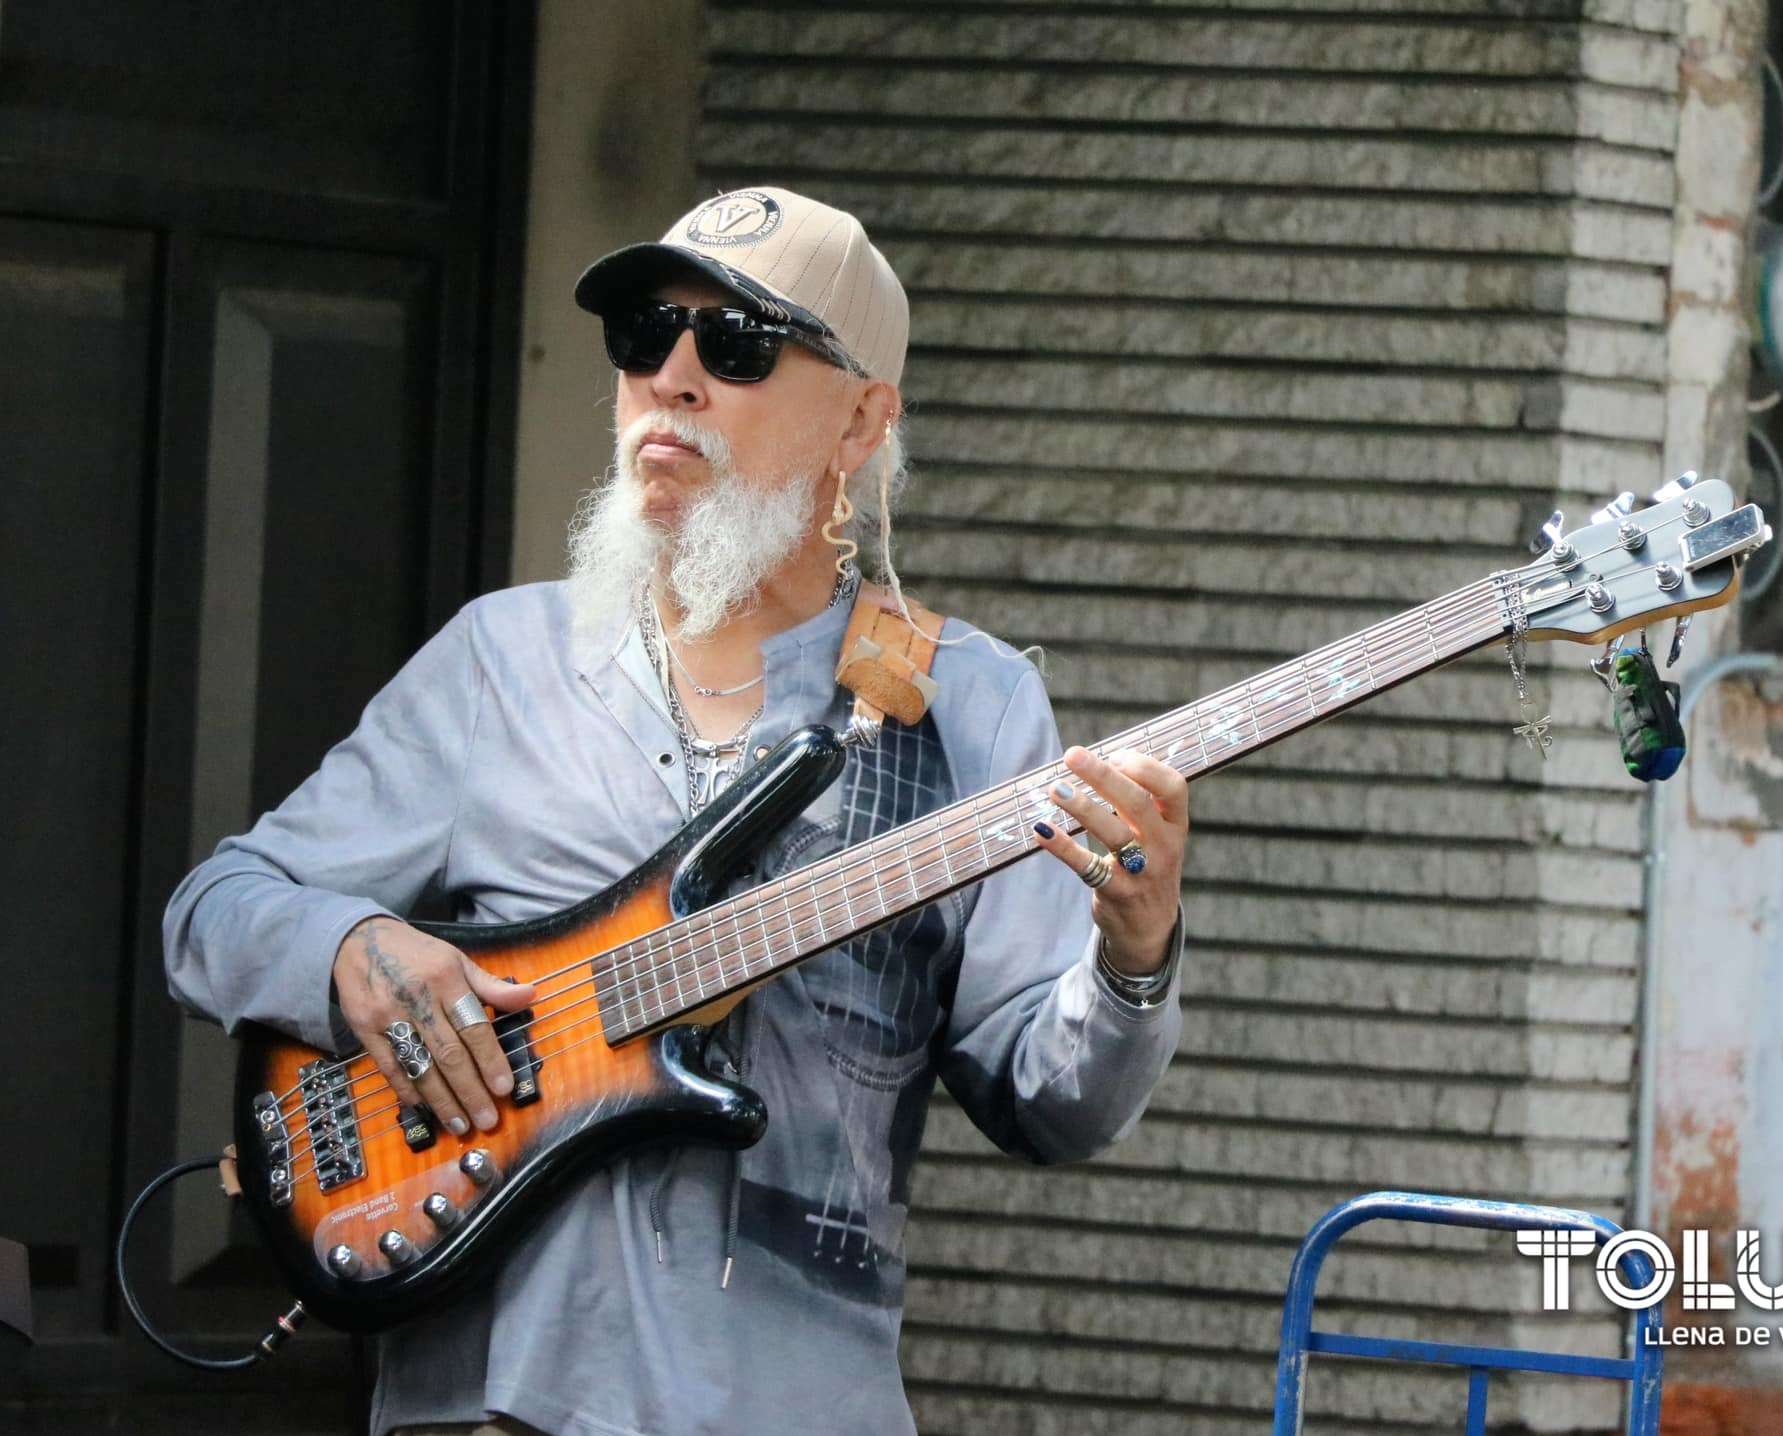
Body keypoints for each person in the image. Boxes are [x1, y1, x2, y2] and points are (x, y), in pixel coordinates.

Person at [163, 186, 1191, 1436]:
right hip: (492, 1403)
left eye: (740, 344)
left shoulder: (967, 706)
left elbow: (1053, 1099)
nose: (675, 376)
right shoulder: (501, 659)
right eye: (646, 334)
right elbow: (214, 910)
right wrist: (347, 954)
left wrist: (1131, 957)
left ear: (861, 419)